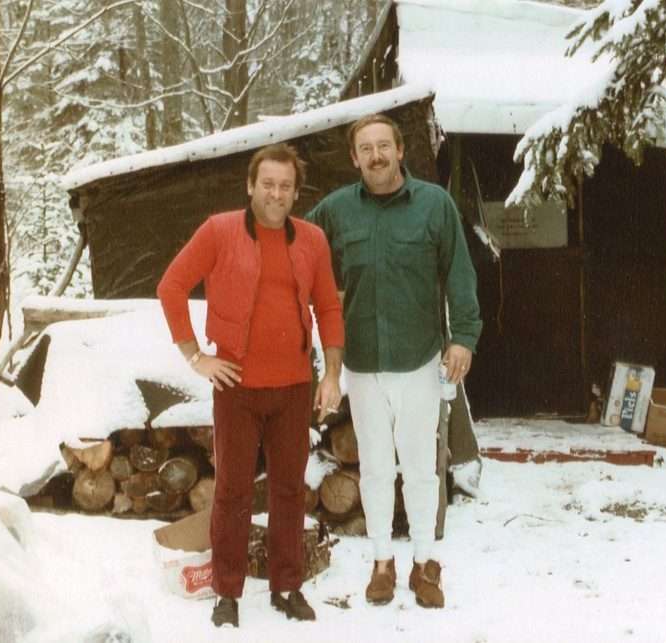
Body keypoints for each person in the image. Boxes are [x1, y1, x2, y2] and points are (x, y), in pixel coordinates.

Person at [157, 143, 344, 628]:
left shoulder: (311, 240)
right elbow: (171, 286)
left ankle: (287, 585)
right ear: (250, 185)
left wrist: (333, 374)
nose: (276, 194)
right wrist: (195, 356)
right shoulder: (219, 231)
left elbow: (327, 306)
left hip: (294, 387)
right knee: (234, 492)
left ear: (295, 192)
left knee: (288, 490)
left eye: (285, 186)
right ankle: (227, 591)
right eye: (268, 184)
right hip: (237, 386)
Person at [306, 114, 481, 609]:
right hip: (360, 363)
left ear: (400, 151)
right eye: (366, 148)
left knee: (423, 468)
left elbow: (460, 274)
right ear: (354, 157)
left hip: (420, 361)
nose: (376, 156)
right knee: (377, 468)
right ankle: (382, 560)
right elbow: (295, 252)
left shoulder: (434, 205)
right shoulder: (336, 211)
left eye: (384, 146)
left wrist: (463, 337)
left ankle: (425, 562)